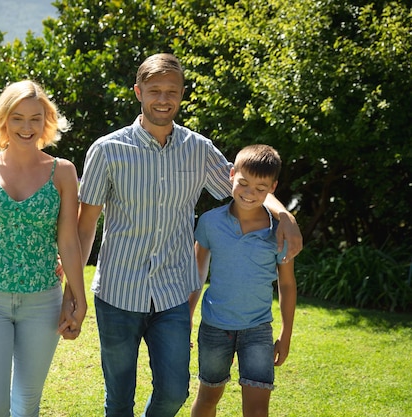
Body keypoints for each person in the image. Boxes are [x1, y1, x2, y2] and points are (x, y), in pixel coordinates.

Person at [76, 53, 303, 417]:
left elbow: (244, 185)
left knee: (174, 392)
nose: (163, 99)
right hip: (117, 293)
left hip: (172, 295)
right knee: (119, 399)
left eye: (172, 91)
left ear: (182, 95)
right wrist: (74, 286)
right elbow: (85, 224)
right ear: (138, 92)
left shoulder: (198, 149)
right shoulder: (107, 150)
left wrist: (283, 214)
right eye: (154, 91)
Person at [189, 144, 297, 417]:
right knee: (208, 398)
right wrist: (186, 316)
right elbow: (196, 272)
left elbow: (286, 284)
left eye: (260, 189)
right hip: (215, 327)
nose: (250, 194)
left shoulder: (280, 234)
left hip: (258, 331)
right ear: (232, 175)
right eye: (244, 183)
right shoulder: (210, 222)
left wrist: (286, 333)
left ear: (273, 187)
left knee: (258, 410)